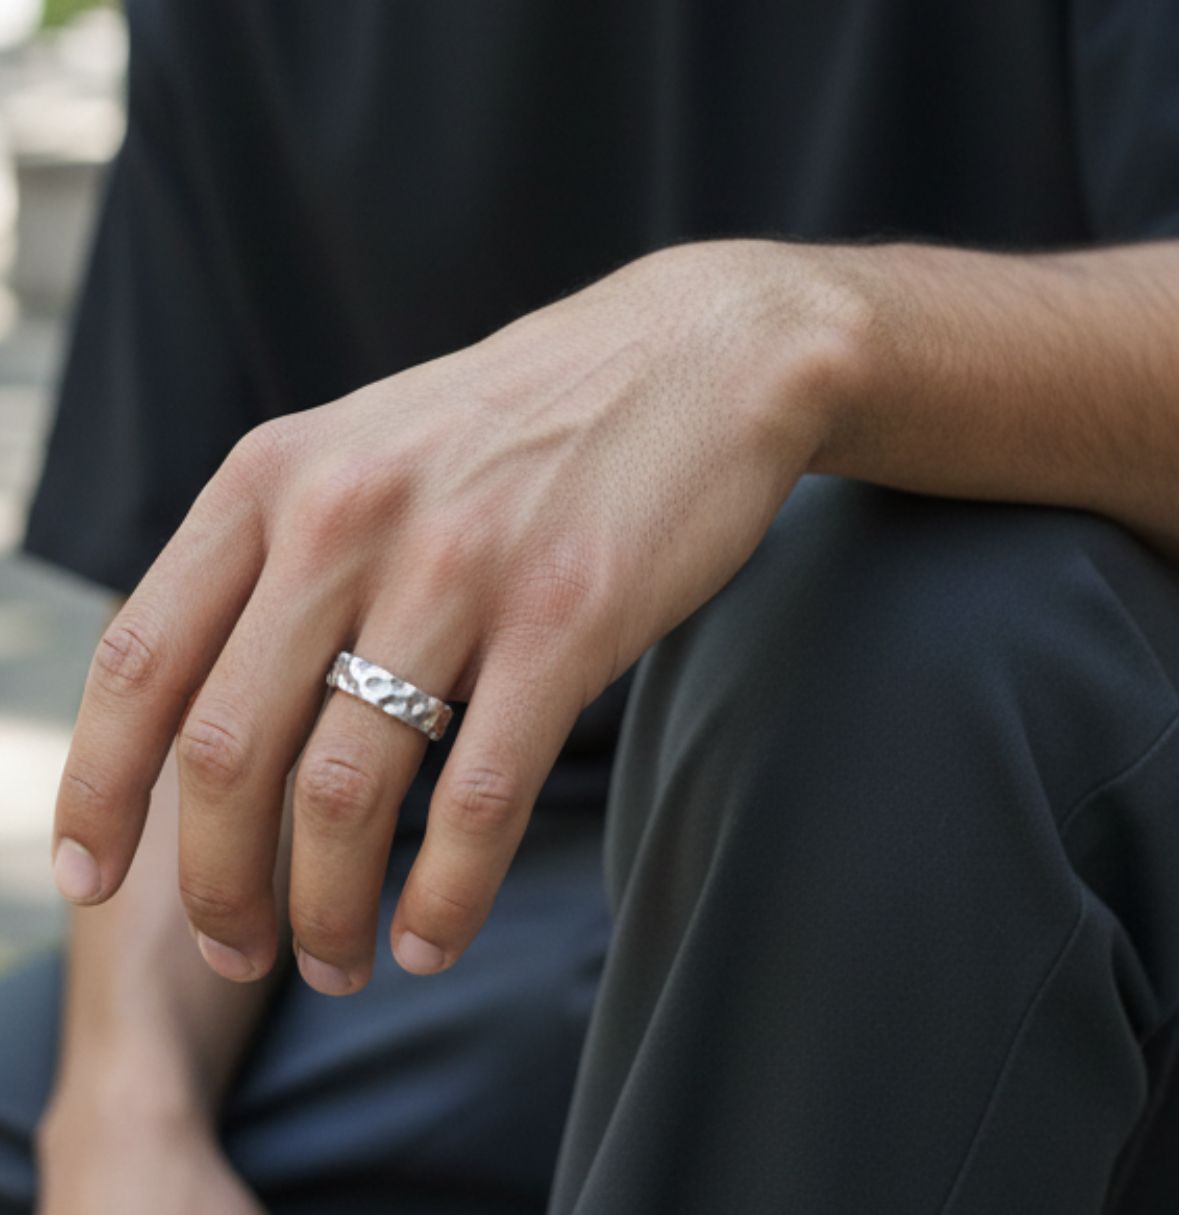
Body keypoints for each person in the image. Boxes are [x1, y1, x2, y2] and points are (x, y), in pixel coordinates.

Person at [4, 1, 1179, 1211]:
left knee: (922, 630)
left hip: (954, 838)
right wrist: (125, 1103)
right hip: (431, 920)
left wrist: (795, 336)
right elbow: (220, 622)